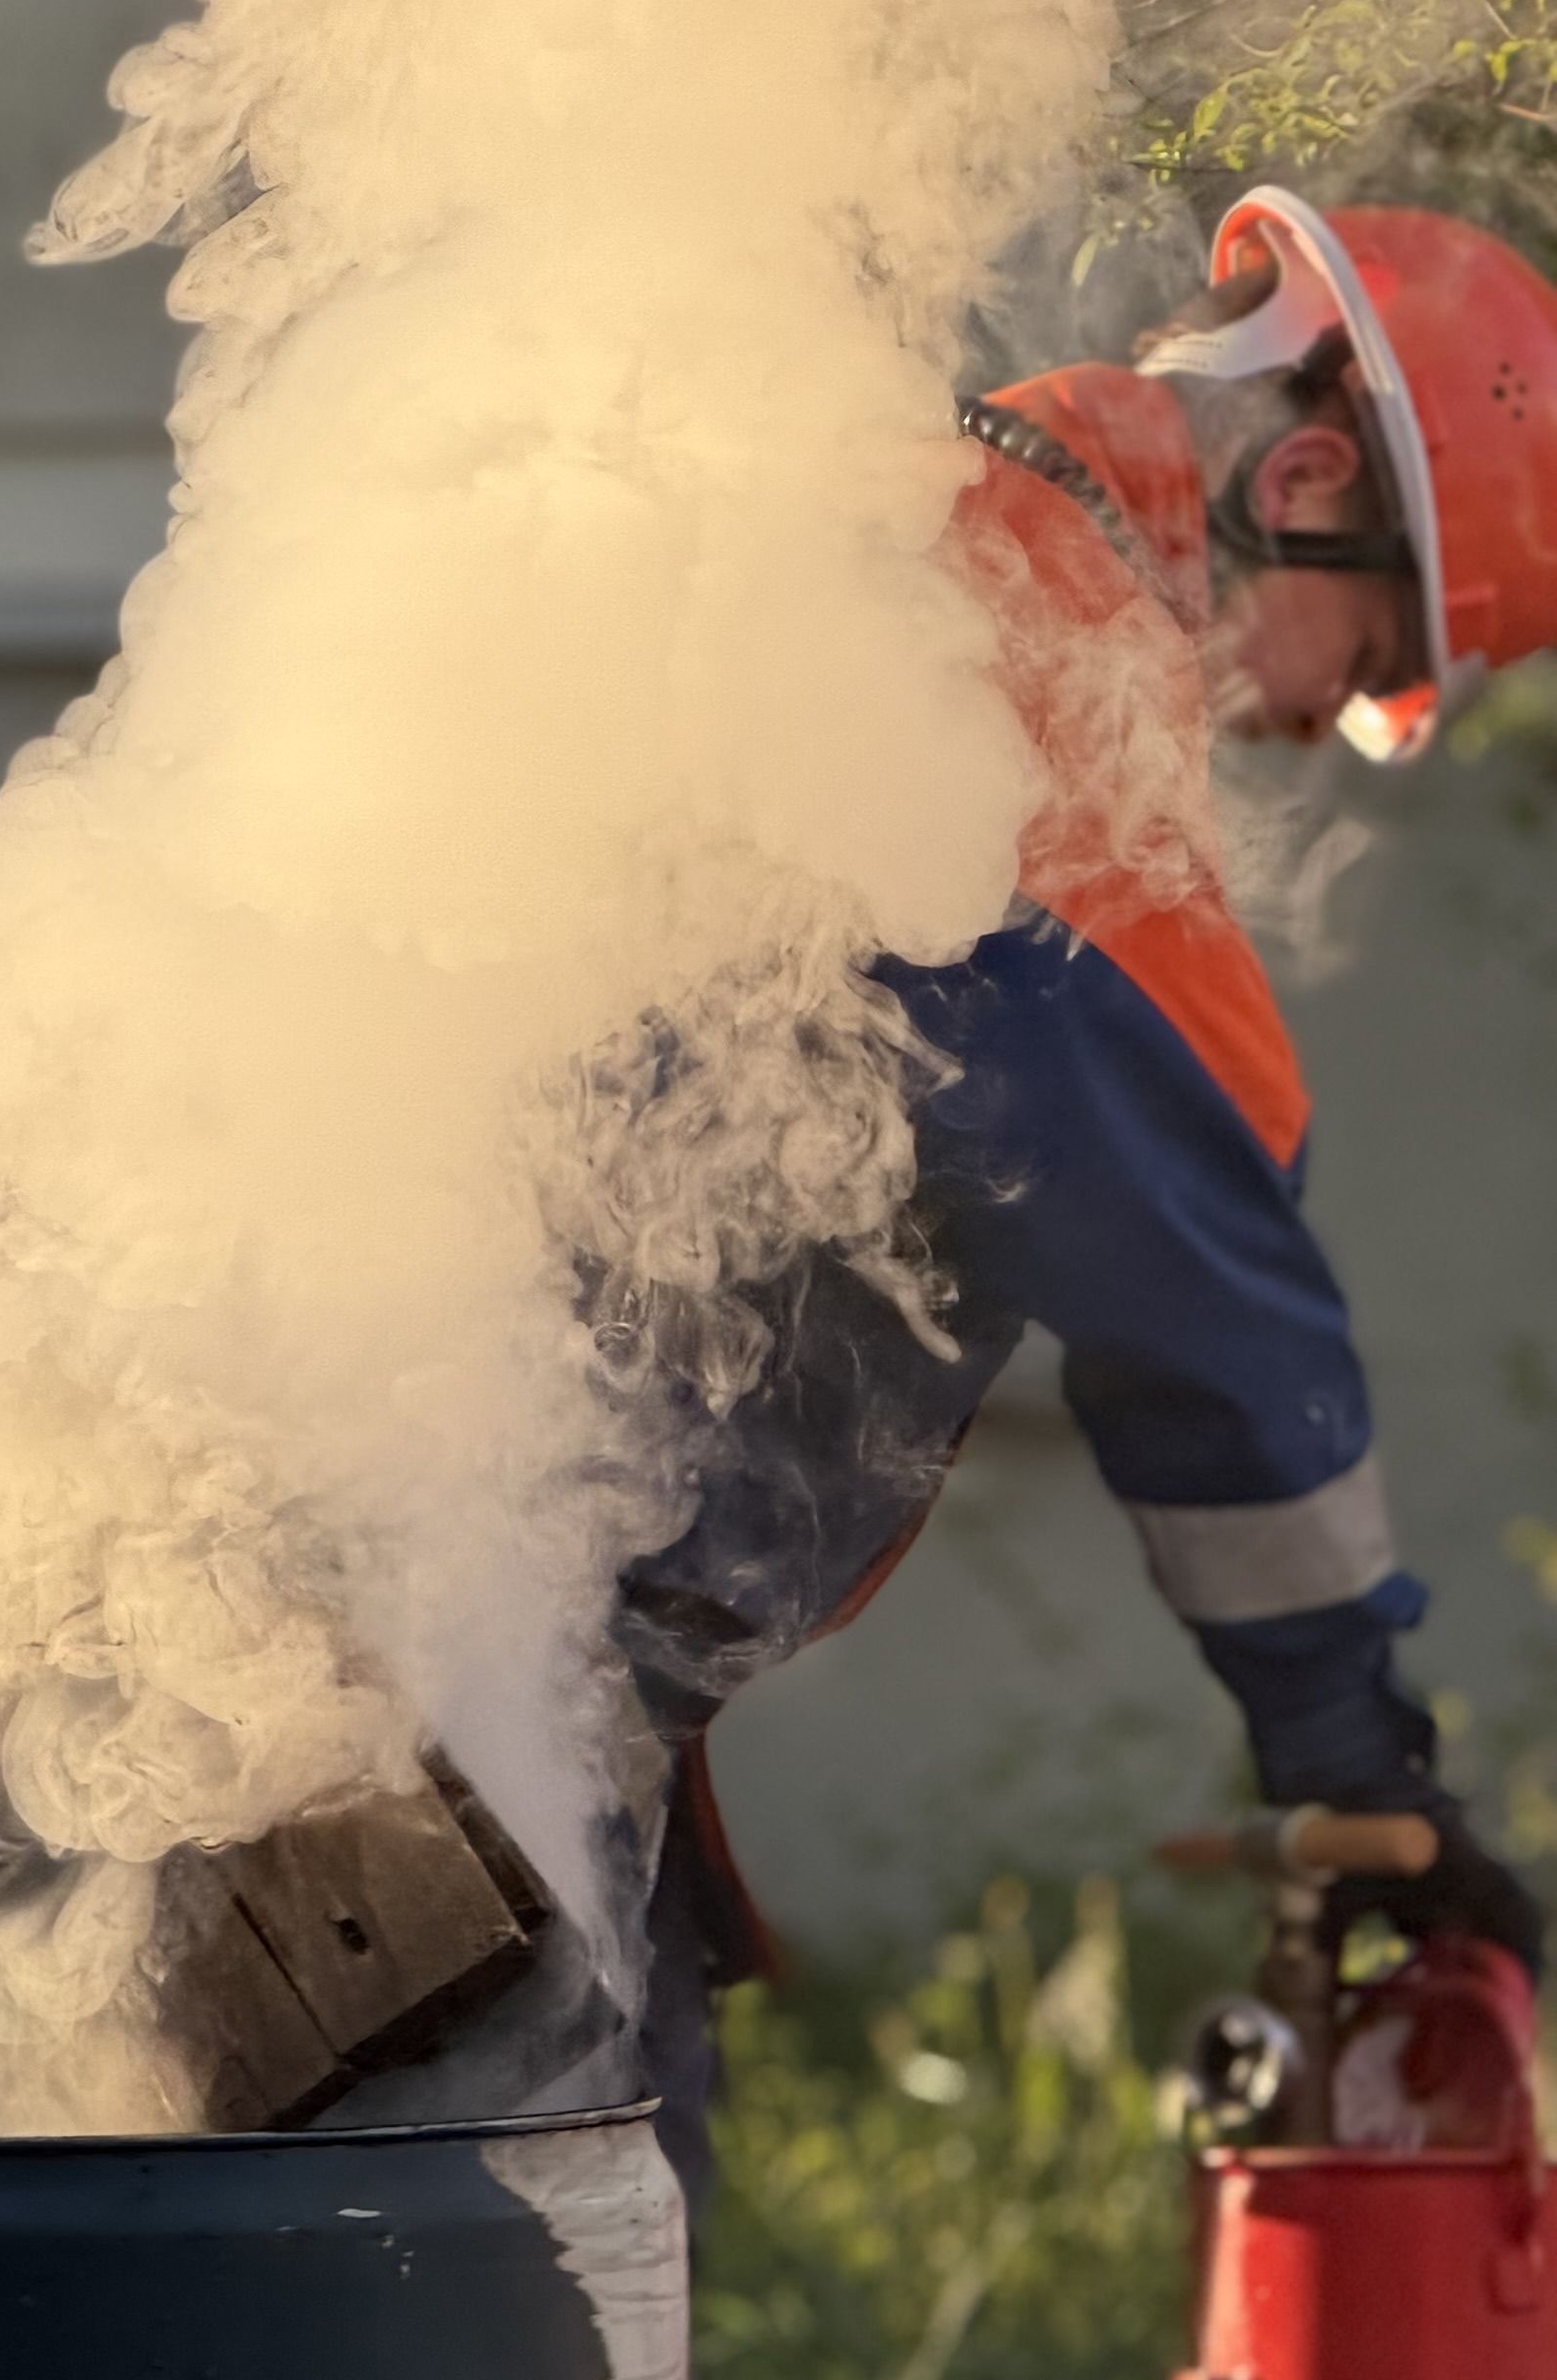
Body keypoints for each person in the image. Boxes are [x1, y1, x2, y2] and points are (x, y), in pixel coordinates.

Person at [562, 186, 1557, 2178]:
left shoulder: (860, 524)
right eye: (1367, 655)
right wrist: (1359, 1764)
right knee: (517, 2284)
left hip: (352, 1554)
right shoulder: (1050, 739)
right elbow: (1216, 1320)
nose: (1314, 725)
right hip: (471, 1660)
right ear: (1301, 482)